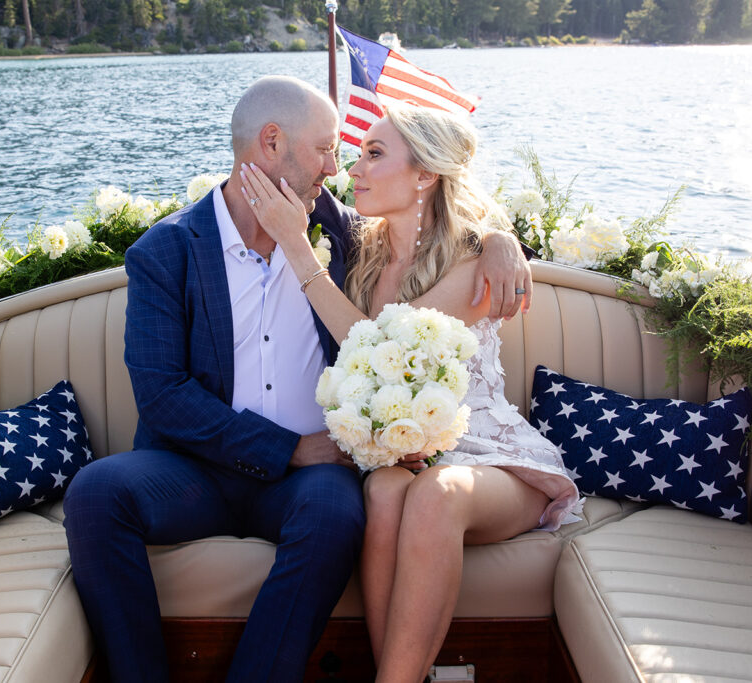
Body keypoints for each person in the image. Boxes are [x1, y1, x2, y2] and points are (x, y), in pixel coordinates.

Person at [62, 76, 533, 683]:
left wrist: (500, 239)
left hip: (307, 484)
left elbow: (432, 220)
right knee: (96, 493)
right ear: (271, 142)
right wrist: (290, 449)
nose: (336, 169)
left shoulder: (336, 232)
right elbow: (161, 396)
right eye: (325, 150)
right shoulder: (167, 251)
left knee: (338, 516)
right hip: (194, 471)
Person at [239, 102, 581, 683]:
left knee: (436, 495)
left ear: (425, 175)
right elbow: (280, 179)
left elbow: (373, 348)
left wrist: (298, 251)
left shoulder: (473, 259)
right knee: (387, 491)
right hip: (409, 452)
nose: (354, 169)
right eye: (355, 154)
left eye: (374, 155)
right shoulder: (361, 247)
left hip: (491, 458)